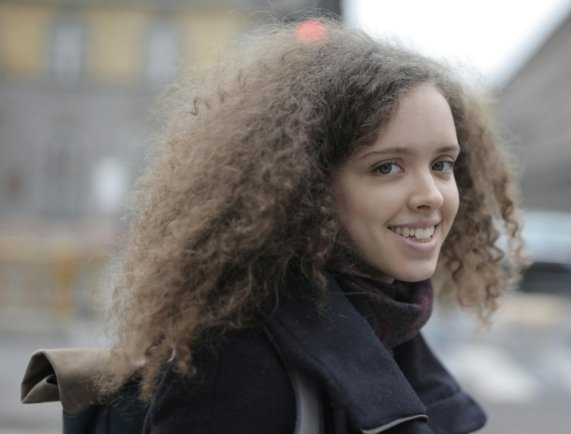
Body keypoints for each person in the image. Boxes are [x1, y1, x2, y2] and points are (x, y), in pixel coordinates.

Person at [99, 19, 524, 434]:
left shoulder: (393, 323)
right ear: (309, 186)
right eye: (387, 167)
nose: (431, 194)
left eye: (442, 164)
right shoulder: (236, 363)